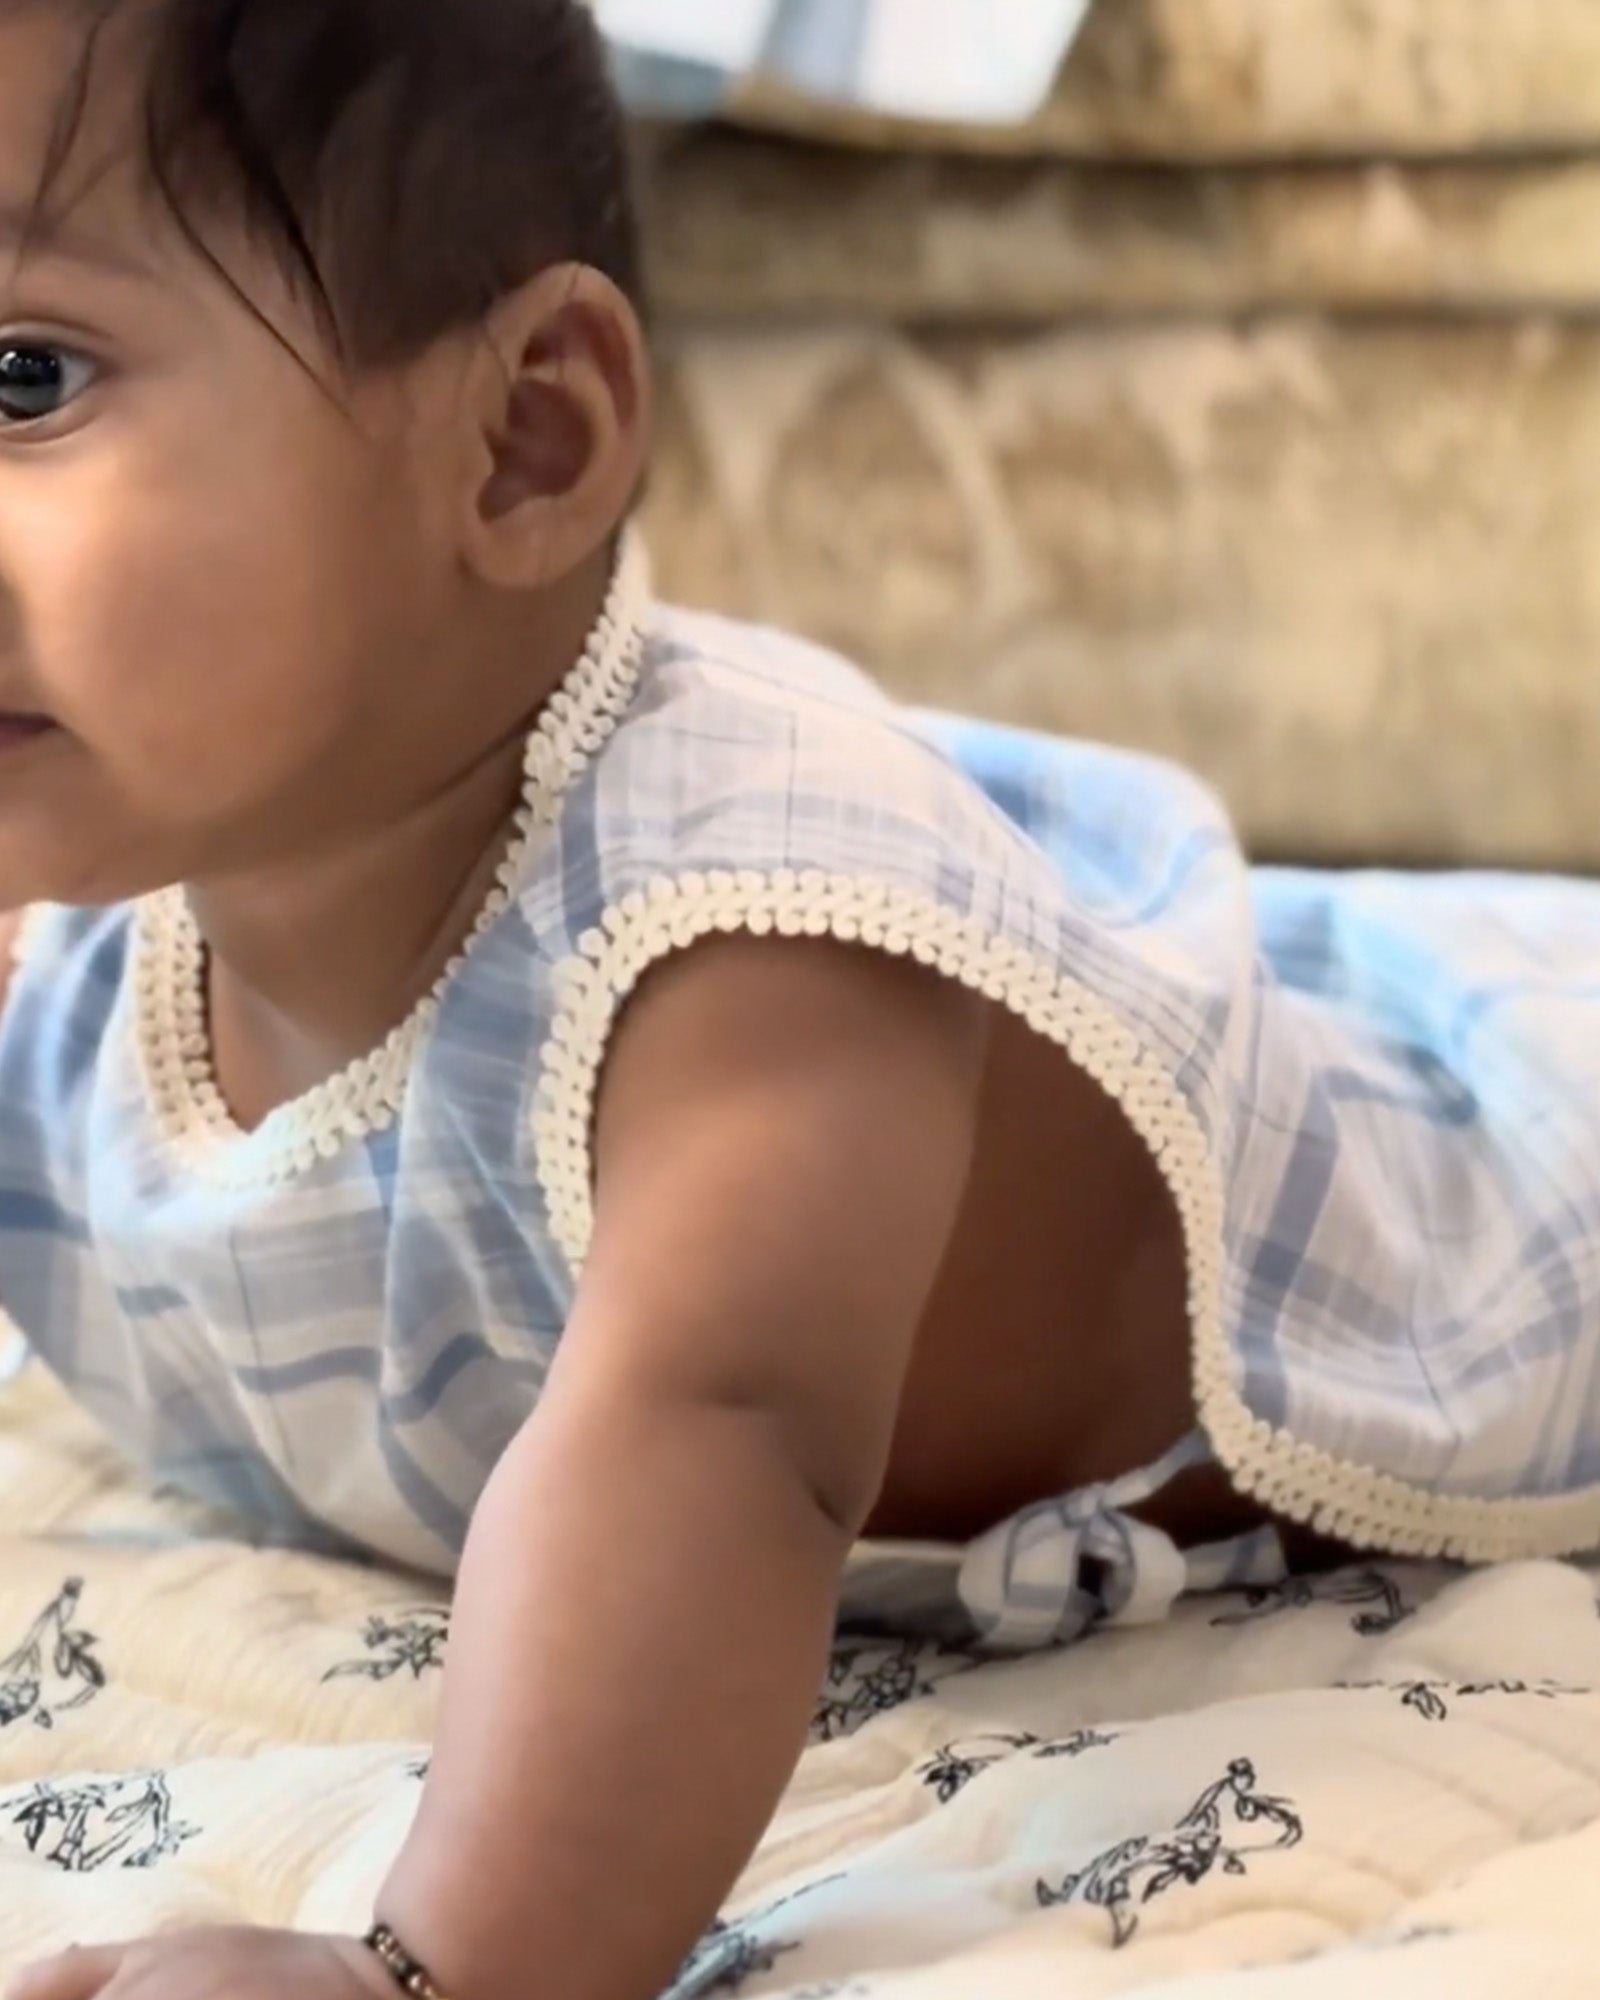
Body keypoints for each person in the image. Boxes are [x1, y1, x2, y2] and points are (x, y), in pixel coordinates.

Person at [2, 5, 1600, 1999]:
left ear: (521, 441)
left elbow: (718, 1442)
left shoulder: (746, 935)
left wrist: (429, 1975)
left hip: (1508, 1169)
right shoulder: (89, 924)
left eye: (23, 374)